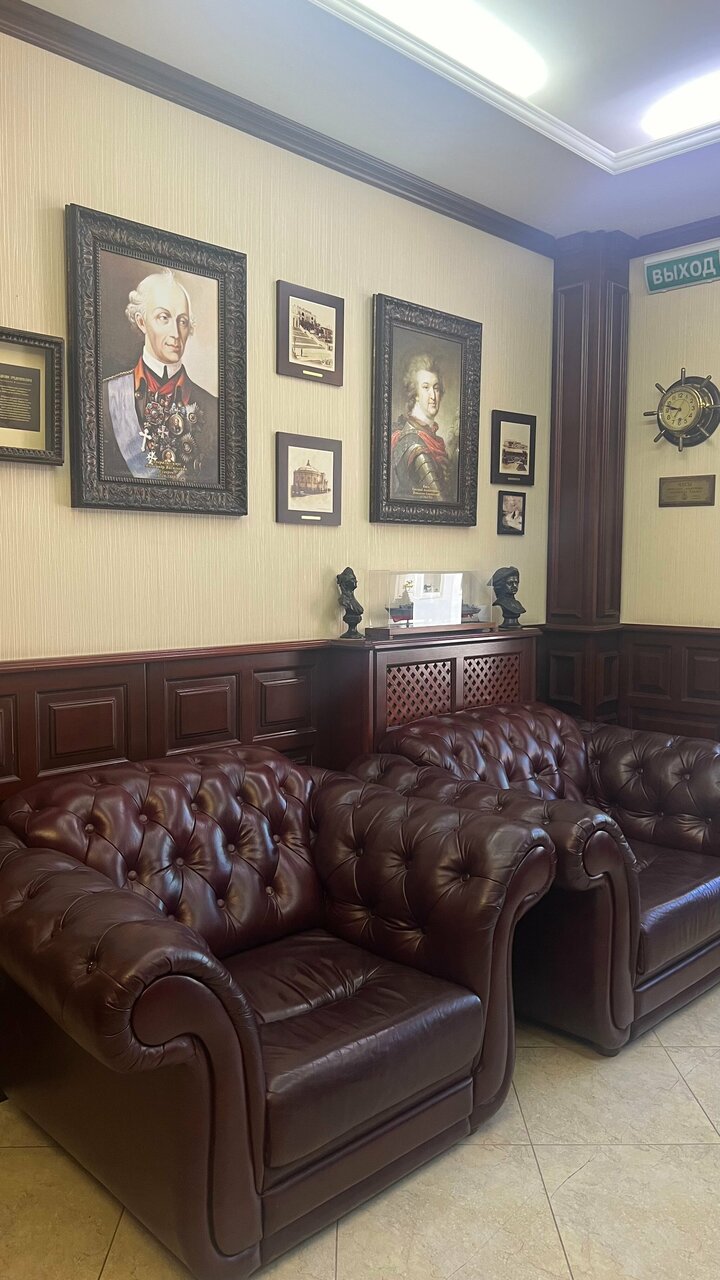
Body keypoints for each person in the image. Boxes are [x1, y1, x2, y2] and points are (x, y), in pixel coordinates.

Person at [101, 269, 218, 483]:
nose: (176, 333)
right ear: (141, 322)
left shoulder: (213, 410)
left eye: (182, 321)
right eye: (164, 318)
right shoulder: (105, 396)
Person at [390, 355, 457, 503]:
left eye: (436, 388)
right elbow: (440, 502)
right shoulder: (415, 444)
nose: (433, 396)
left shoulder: (433, 439)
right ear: (415, 393)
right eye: (426, 388)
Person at [488, 566, 526, 630]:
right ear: (501, 585)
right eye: (510, 583)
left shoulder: (517, 603)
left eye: (516, 582)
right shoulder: (502, 603)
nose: (514, 586)